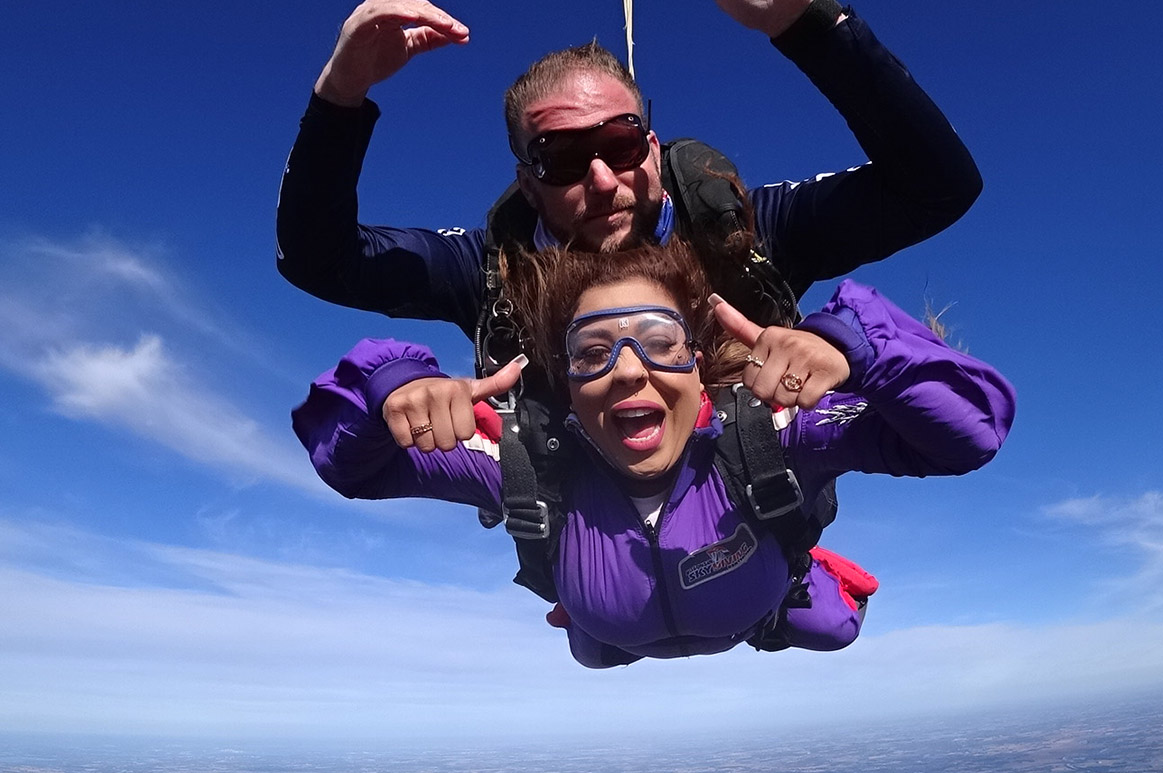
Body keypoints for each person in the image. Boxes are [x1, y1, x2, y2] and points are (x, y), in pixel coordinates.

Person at [276, 0, 985, 440]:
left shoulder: (743, 232)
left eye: (619, 144)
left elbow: (937, 187)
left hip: (756, 510)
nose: (602, 178)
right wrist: (340, 97)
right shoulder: (494, 270)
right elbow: (319, 258)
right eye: (560, 159)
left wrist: (807, 24)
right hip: (597, 552)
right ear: (527, 182)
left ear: (651, 143)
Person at [292, 241, 1016, 667]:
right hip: (613, 623)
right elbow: (343, 460)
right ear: (567, 386)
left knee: (833, 626)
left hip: (753, 602)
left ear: (700, 365)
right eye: (593, 351)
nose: (631, 370)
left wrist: (852, 342)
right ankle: (603, 613)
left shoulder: (772, 433)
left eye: (661, 343)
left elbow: (970, 430)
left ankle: (784, 589)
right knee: (597, 648)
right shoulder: (525, 457)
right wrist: (396, 385)